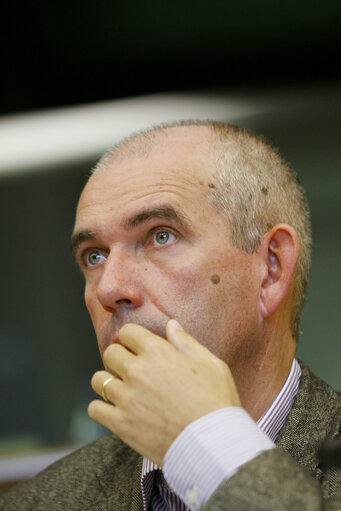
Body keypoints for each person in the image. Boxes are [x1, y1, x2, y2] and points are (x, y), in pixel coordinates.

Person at [1, 120, 340, 510]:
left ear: (272, 268)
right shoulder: (38, 503)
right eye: (94, 256)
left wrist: (209, 447)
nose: (109, 288)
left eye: (161, 235)